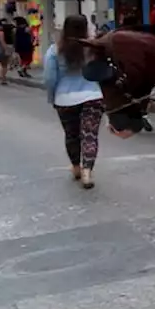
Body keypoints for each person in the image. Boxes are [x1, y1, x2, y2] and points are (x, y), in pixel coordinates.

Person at [43, 15, 106, 189]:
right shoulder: (94, 49)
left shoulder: (55, 51)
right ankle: (87, 172)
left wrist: (52, 97)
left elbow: (49, 78)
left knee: (72, 135)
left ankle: (76, 168)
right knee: (90, 135)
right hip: (93, 96)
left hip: (64, 99)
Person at [0, 19, 8, 85]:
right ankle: (3, 79)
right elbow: (2, 42)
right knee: (4, 65)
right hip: (0, 50)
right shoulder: (0, 33)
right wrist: (6, 49)